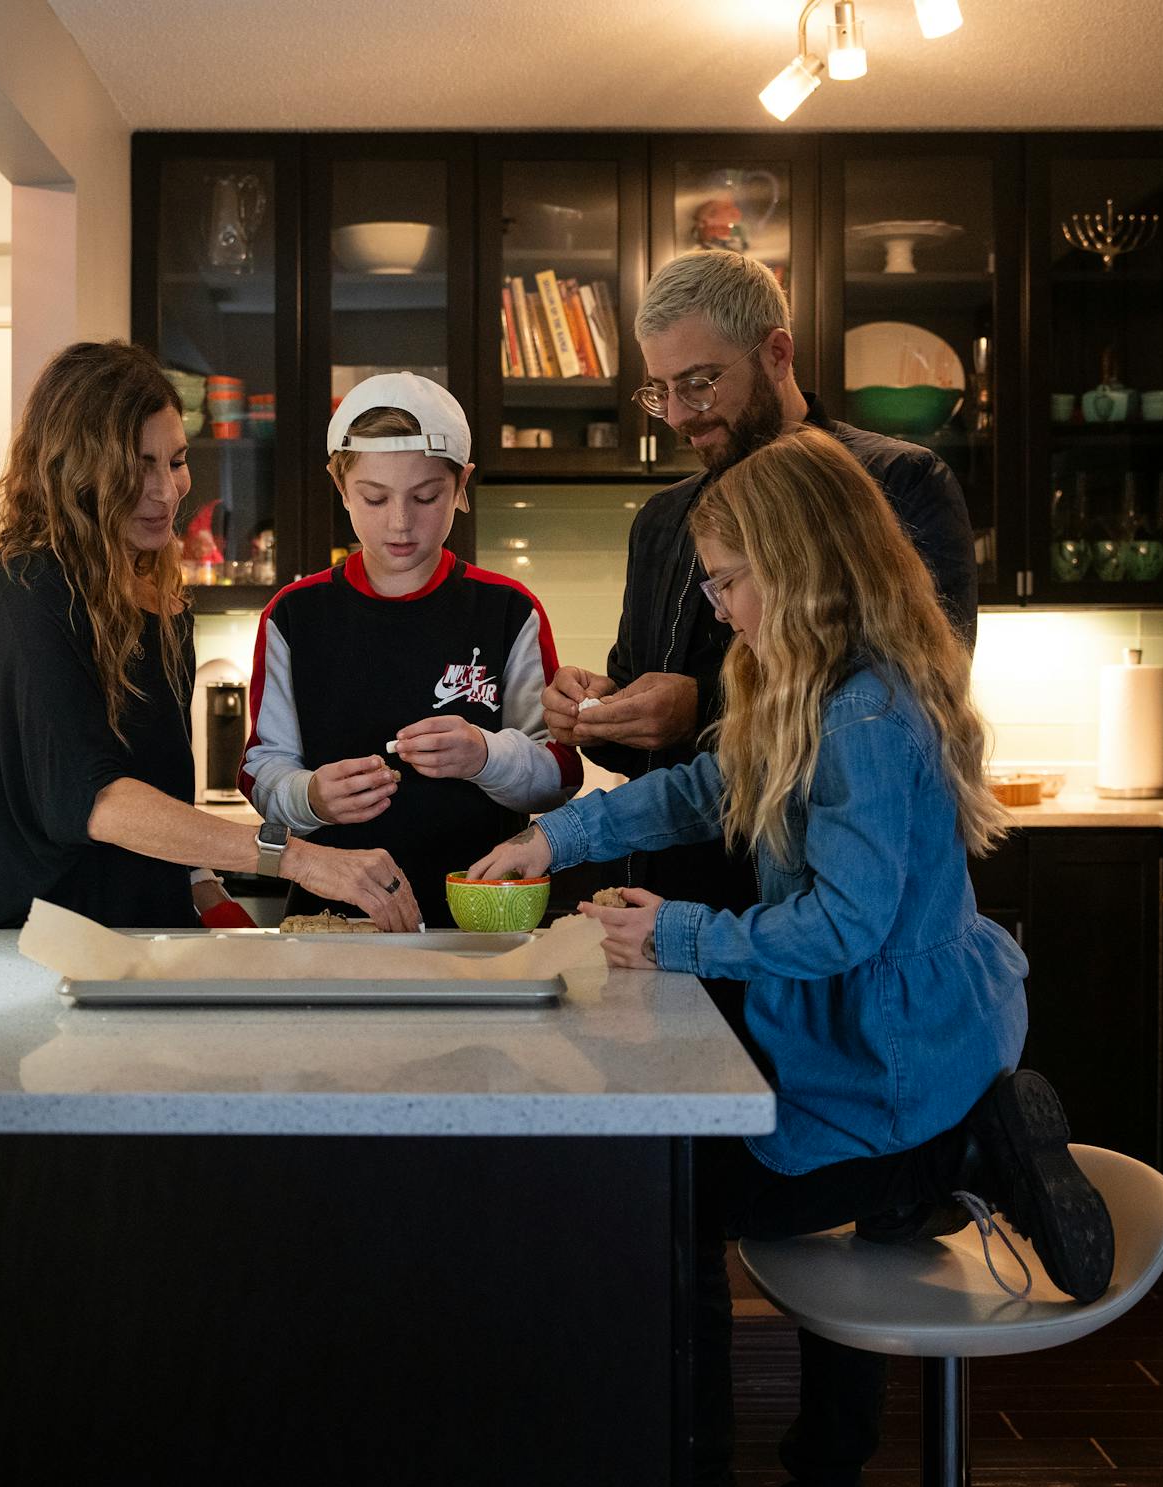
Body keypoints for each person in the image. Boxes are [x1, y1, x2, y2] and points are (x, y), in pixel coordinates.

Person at [469, 427, 1111, 1487]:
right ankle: (907, 1228)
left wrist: (672, 933)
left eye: (728, 579)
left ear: (801, 562)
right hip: (866, 1033)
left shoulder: (864, 709)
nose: (716, 604)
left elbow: (842, 926)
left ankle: (947, 1157)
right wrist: (558, 836)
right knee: (717, 1181)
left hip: (888, 1053)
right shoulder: (804, 677)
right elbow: (701, 788)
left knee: (683, 1195)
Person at [543, 248, 978, 928]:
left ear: (776, 352)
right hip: (668, 909)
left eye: (700, 381)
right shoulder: (663, 522)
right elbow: (647, 748)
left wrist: (701, 708)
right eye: (661, 390)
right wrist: (597, 715)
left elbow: (918, 692)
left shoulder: (897, 484)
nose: (679, 414)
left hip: (814, 924)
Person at [0, 341, 419, 931]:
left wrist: (204, 889)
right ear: (77, 473)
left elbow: (157, 792)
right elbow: (97, 800)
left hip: (137, 947)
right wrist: (298, 859)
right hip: (33, 955)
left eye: (177, 459)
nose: (168, 489)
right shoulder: (25, 589)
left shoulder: (161, 606)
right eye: (138, 465)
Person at [239, 373, 579, 925]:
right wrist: (311, 797)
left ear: (462, 484)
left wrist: (485, 756)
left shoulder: (509, 610)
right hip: (335, 922)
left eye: (426, 497)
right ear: (339, 484)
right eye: (374, 498)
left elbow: (561, 775)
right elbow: (261, 773)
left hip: (482, 918)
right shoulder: (295, 615)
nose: (400, 522)